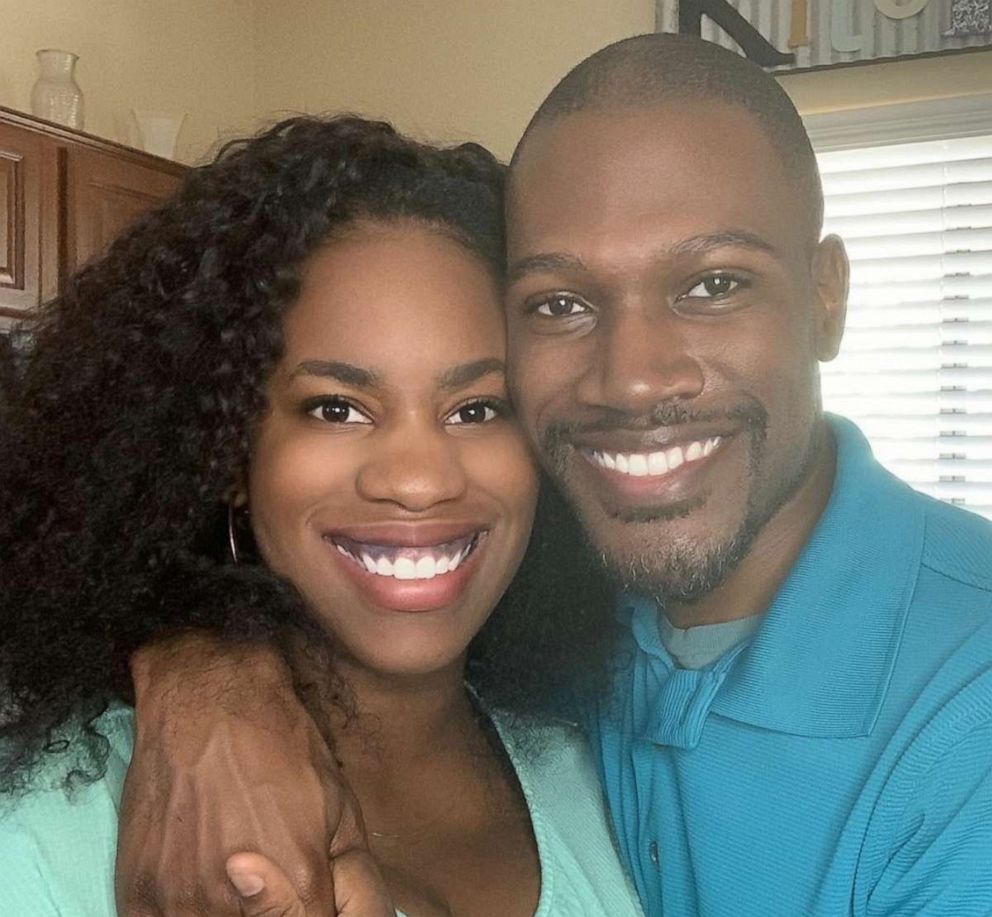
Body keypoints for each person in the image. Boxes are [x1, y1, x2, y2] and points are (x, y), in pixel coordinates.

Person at [0, 115, 645, 917]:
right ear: (232, 453)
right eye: (337, 407)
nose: (417, 480)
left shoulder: (597, 770)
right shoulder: (53, 830)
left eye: (480, 408)